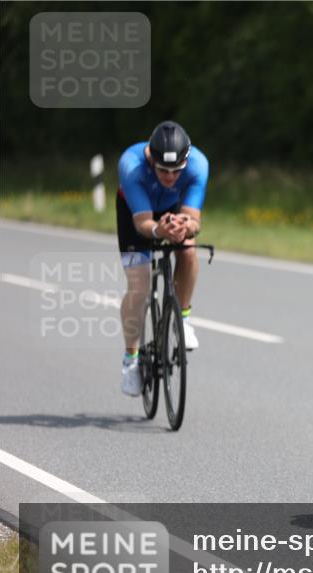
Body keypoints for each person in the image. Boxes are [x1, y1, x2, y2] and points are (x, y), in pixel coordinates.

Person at [117, 120, 209, 396]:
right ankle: (130, 361)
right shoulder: (131, 165)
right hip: (136, 212)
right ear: (150, 158)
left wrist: (185, 226)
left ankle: (183, 318)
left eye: (176, 171)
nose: (170, 177)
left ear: (186, 162)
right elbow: (143, 224)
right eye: (163, 170)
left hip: (172, 209)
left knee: (189, 250)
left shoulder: (198, 165)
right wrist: (159, 230)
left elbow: (194, 219)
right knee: (139, 285)